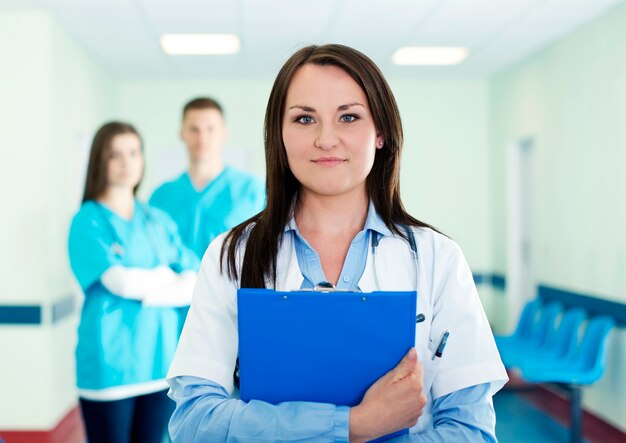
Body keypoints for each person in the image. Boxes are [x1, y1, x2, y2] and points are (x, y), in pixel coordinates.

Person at [167, 44, 508, 442]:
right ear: (279, 134)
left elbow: (471, 430)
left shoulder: (436, 258)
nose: (326, 139)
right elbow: (194, 423)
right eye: (304, 118)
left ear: (380, 133)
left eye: (348, 117)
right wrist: (354, 426)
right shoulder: (233, 255)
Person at [68, 122, 199, 443]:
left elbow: (194, 282)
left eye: (134, 152)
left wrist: (147, 286)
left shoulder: (156, 219)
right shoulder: (88, 220)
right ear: (100, 161)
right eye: (115, 154)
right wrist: (168, 279)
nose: (127, 162)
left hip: (159, 364)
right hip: (110, 367)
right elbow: (120, 283)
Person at [149, 97, 266, 260]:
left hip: (235, 284)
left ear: (224, 134)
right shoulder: (161, 196)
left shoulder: (253, 191)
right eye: (194, 129)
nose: (202, 137)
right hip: (176, 285)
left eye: (210, 129)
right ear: (182, 134)